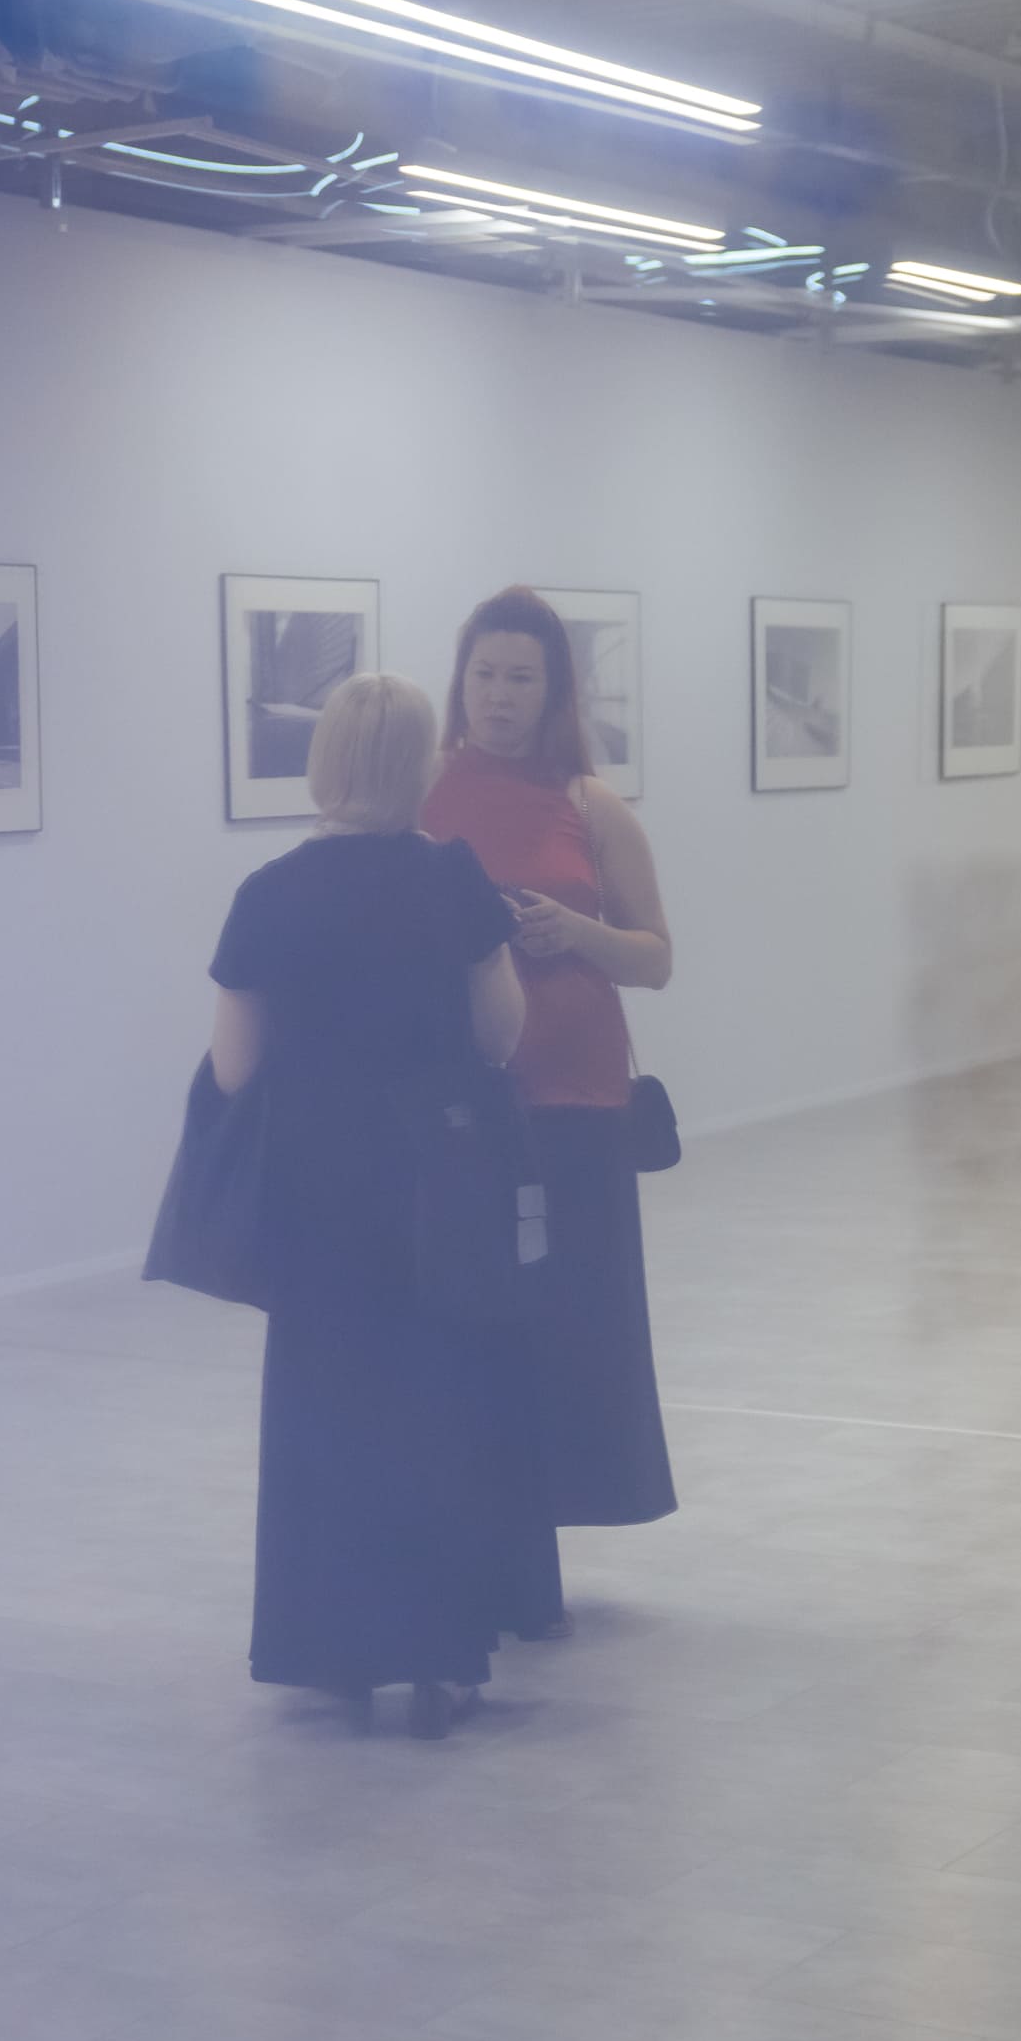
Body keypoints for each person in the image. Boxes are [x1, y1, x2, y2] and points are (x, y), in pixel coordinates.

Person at [209, 672, 529, 1738]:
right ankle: (440, 1656)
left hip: (313, 1192)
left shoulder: (267, 894)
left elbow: (234, 1067)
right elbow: (500, 1033)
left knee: (324, 1416)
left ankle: (332, 1646)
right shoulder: (453, 881)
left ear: (326, 761)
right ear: (419, 764)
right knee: (434, 1411)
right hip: (435, 1186)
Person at [419, 587, 680, 1638]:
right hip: (461, 1106)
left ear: (553, 690)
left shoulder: (591, 804)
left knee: (571, 1324)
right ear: (460, 682)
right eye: (484, 674)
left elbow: (655, 958)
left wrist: (575, 932)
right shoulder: (425, 792)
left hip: (577, 1099)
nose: (498, 695)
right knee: (474, 1324)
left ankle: (541, 1534)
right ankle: (478, 1536)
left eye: (519, 677)